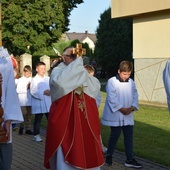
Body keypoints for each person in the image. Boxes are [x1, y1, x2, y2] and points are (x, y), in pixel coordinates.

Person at [44, 46, 104, 170]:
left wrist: (80, 71)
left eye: (75, 57)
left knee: (87, 149)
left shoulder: (81, 71)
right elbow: (60, 84)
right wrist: (77, 64)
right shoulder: (58, 71)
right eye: (71, 56)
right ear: (63, 57)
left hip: (84, 120)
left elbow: (95, 87)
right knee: (65, 157)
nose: (73, 59)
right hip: (66, 122)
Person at [101, 61, 143, 169]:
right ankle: (109, 155)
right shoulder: (112, 81)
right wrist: (122, 109)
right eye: (124, 74)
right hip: (116, 114)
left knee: (129, 136)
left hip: (128, 113)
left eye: (128, 74)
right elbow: (112, 97)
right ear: (119, 71)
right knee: (115, 135)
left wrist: (132, 107)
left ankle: (130, 159)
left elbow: (135, 94)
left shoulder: (131, 82)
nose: (126, 76)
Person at [0, 46, 23, 170]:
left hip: (2, 118)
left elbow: (10, 91)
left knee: (5, 163)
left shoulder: (4, 57)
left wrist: (8, 120)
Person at [84, 64, 107, 155]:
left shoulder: (92, 81)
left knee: (94, 129)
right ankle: (97, 147)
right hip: (90, 108)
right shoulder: (92, 81)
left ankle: (98, 146)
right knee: (92, 129)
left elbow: (97, 96)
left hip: (89, 108)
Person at [30, 61, 51, 142]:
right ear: (37, 69)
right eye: (41, 68)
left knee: (50, 119)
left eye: (44, 68)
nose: (43, 70)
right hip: (39, 103)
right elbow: (33, 91)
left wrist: (50, 91)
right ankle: (36, 135)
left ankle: (52, 134)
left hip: (48, 102)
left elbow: (52, 87)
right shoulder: (34, 80)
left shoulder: (48, 79)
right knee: (38, 119)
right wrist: (43, 92)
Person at [16, 65, 33, 135]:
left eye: (29, 73)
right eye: (27, 73)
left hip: (29, 100)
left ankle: (28, 128)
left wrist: (31, 87)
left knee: (29, 115)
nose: (28, 75)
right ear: (24, 72)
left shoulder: (32, 80)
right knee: (23, 114)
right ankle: (21, 127)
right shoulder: (20, 80)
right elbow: (18, 90)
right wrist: (26, 88)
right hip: (22, 101)